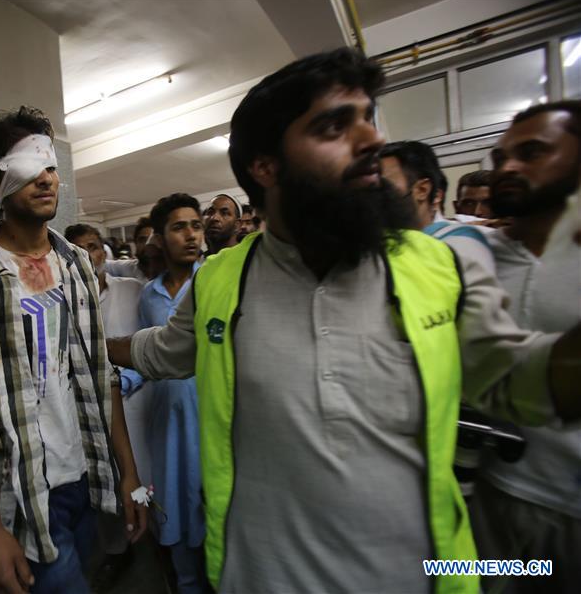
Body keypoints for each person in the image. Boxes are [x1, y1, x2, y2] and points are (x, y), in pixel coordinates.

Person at [107, 48, 581, 593]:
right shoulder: (221, 280)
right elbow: (163, 350)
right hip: (258, 578)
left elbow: (524, 380)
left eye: (367, 118)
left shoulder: (436, 265)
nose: (372, 140)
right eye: (335, 126)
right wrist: (92, 344)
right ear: (266, 166)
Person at [0, 106, 146, 594]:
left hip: (87, 476)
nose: (47, 179)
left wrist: (128, 475)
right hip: (24, 491)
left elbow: (100, 376)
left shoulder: (75, 267)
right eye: (30, 169)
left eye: (51, 167)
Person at [470, 101, 581, 593]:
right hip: (488, 499)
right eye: (501, 158)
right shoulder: (471, 255)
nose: (507, 168)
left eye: (531, 153)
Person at [65, 223, 151, 591]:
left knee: (147, 474)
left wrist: (133, 377)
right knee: (112, 484)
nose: (91, 255)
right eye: (80, 249)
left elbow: (155, 343)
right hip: (99, 415)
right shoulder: (68, 302)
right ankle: (119, 552)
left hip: (142, 404)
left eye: (95, 246)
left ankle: (158, 542)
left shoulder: (133, 291)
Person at [138, 193, 210, 593]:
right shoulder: (148, 295)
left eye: (196, 225)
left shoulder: (215, 282)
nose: (190, 235)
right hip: (166, 420)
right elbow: (145, 357)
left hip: (208, 417)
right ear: (160, 238)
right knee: (174, 504)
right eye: (179, 227)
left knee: (210, 505)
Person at [380, 140, 496, 273]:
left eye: (384, 186)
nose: (373, 196)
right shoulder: (383, 246)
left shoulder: (462, 243)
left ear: (422, 189)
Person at [105, 217, 159, 282]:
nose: (147, 244)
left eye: (152, 239)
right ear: (135, 243)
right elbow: (102, 265)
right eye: (142, 240)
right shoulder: (128, 268)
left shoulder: (170, 273)